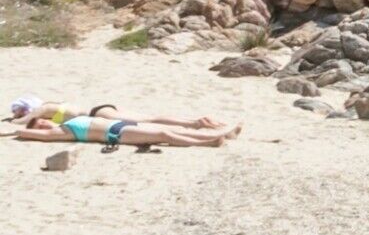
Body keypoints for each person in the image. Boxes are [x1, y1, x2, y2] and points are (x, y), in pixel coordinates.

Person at [8, 98, 239, 149]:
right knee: (164, 135)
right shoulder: (60, 132)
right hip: (116, 135)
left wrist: (29, 118)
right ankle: (209, 140)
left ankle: (218, 136)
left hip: (114, 125)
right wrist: (18, 128)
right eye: (40, 125)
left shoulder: (52, 112)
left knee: (163, 130)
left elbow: (34, 120)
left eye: (42, 122)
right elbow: (24, 132)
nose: (44, 124)